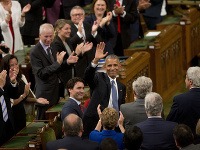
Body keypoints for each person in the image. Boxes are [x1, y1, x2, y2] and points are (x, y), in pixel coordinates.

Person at [30, 23, 78, 120]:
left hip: (56, 91)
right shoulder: (35, 52)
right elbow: (41, 73)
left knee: (56, 121)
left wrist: (67, 62)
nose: (48, 39)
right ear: (40, 36)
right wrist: (58, 63)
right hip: (45, 94)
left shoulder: (52, 46)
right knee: (44, 122)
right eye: (46, 36)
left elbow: (56, 68)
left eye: (51, 36)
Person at [82, 43, 126, 138]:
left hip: (115, 127)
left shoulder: (122, 87)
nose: (112, 68)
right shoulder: (99, 78)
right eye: (109, 65)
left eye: (115, 65)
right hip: (96, 125)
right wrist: (96, 60)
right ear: (105, 67)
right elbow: (87, 77)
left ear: (119, 66)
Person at [0, 54, 49, 133]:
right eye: (11, 65)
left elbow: (24, 97)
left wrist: (36, 100)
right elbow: (12, 102)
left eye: (16, 64)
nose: (15, 67)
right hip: (11, 115)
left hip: (21, 113)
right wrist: (24, 95)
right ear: (6, 67)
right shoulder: (3, 80)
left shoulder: (21, 76)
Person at [52, 19, 93, 97]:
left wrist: (82, 52)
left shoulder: (67, 41)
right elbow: (60, 65)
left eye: (70, 28)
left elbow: (72, 60)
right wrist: (77, 53)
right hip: (63, 78)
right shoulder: (56, 44)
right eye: (66, 29)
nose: (69, 31)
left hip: (71, 76)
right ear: (58, 30)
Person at [69, 6, 102, 78]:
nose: (78, 16)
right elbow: (69, 44)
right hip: (77, 64)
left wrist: (94, 32)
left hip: (91, 63)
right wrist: (79, 33)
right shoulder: (68, 28)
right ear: (71, 16)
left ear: (84, 16)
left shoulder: (89, 26)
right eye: (75, 15)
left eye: (80, 14)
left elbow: (100, 43)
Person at [167, 66, 200, 137]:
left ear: (190, 82)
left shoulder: (180, 100)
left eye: (186, 78)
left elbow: (169, 122)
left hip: (187, 141)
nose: (185, 80)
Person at [0, 69, 18, 146]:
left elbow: (14, 95)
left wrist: (13, 82)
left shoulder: (2, 73)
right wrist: (0, 87)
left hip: (9, 122)